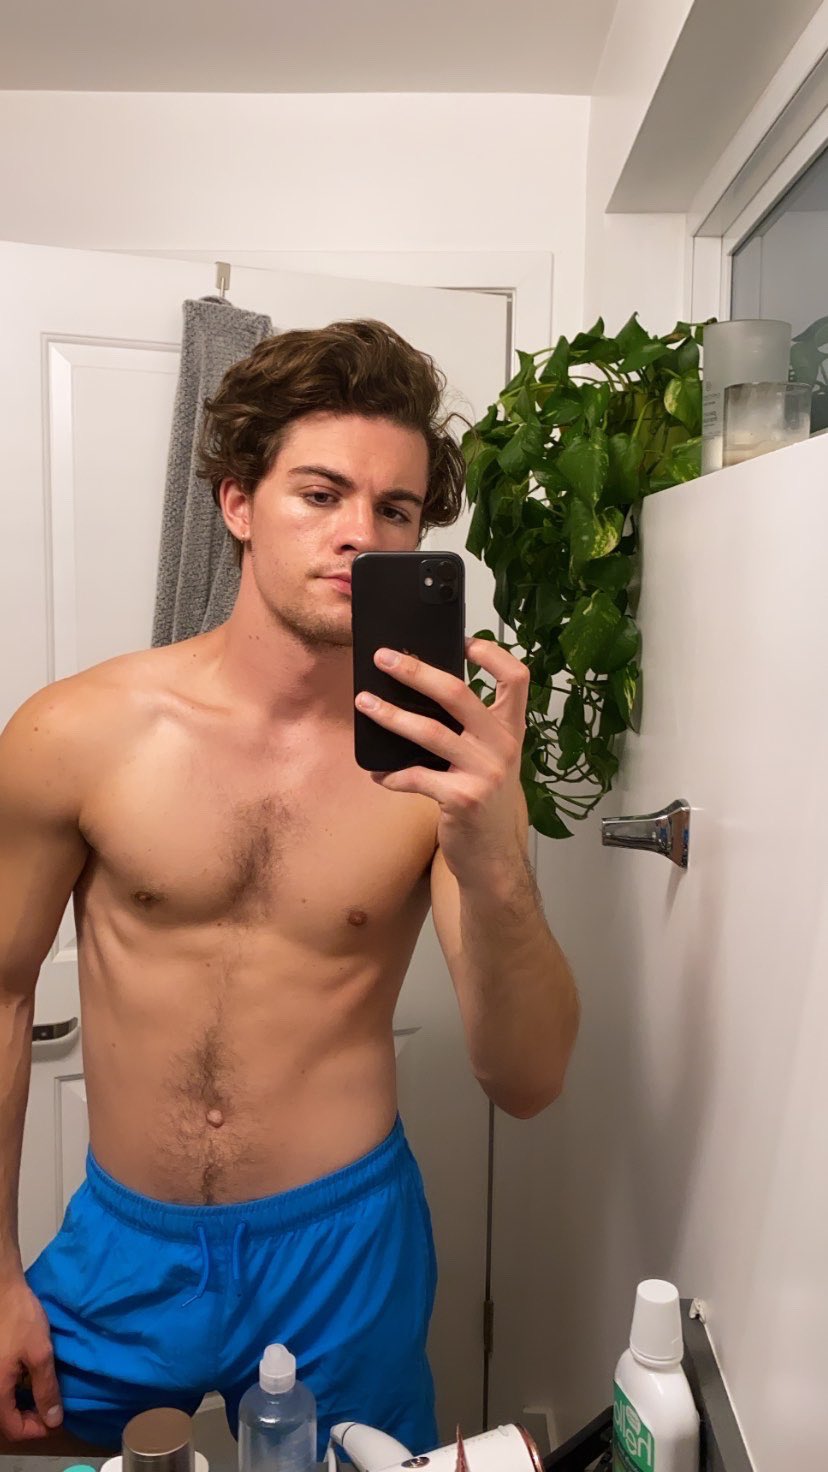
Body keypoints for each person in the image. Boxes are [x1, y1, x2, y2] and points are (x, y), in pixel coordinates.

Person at [0, 319, 579, 1458]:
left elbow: (528, 1079)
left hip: (345, 1251)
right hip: (125, 1248)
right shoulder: (74, 733)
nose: (360, 533)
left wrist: (495, 850)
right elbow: (5, 992)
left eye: (397, 510)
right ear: (238, 502)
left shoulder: (443, 769)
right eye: (320, 493)